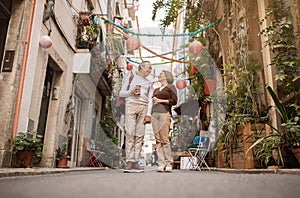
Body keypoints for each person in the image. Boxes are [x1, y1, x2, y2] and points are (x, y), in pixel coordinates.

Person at [119, 61, 153, 173]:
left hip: (143, 107)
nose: (150, 70)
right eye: (148, 68)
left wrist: (148, 114)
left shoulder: (149, 83)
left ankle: (136, 161)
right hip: (130, 105)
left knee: (139, 135)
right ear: (141, 67)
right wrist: (130, 91)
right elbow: (121, 93)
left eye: (151, 68)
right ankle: (129, 161)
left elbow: (150, 99)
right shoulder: (130, 77)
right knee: (130, 133)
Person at [151, 70, 178, 172]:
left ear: (166, 77)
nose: (159, 75)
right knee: (157, 139)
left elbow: (174, 101)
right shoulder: (156, 89)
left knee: (164, 139)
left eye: (161, 74)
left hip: (164, 113)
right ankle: (161, 163)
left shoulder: (171, 87)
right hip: (155, 114)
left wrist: (160, 100)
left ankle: (168, 163)